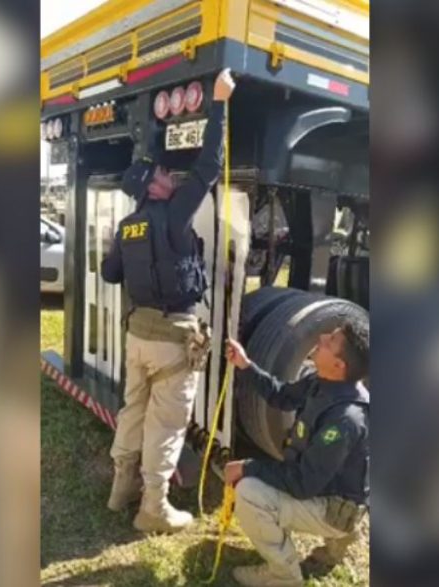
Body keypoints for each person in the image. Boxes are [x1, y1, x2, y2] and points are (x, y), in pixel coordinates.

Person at [100, 68, 236, 533]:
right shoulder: (175, 214)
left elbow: (109, 273)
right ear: (152, 188)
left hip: (137, 337)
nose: (168, 173)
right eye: (161, 172)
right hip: (173, 340)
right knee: (166, 424)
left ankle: (121, 490)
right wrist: (218, 102)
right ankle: (153, 509)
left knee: (132, 411)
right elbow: (209, 167)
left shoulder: (126, 227)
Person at [223, 320, 370, 587]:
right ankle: (340, 541)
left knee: (249, 493)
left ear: (339, 366)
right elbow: (281, 396)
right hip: (331, 486)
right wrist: (245, 365)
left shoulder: (344, 420)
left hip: (334, 505)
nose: (322, 336)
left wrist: (247, 468)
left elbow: (303, 484)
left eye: (331, 341)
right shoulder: (323, 381)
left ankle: (284, 577)